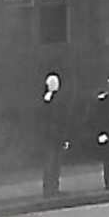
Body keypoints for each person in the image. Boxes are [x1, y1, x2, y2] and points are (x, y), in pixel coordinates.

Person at [39, 73, 68, 202]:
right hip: (50, 137)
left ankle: (53, 188)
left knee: (55, 163)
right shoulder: (48, 101)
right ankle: (49, 189)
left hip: (55, 136)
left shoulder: (56, 101)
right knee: (50, 163)